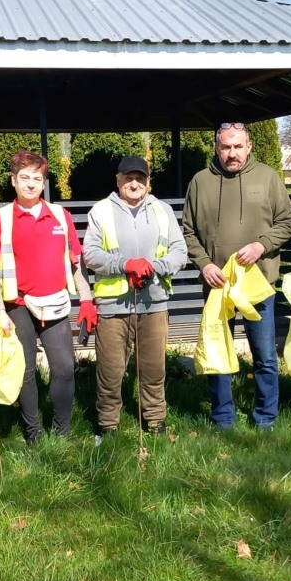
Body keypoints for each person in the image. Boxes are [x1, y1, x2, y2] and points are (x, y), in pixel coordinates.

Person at [183, 123, 291, 429]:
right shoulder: (200, 181)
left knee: (264, 355)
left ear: (249, 147)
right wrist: (204, 264)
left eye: (237, 146)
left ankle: (265, 418)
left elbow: (287, 223)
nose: (231, 153)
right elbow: (189, 231)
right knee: (218, 351)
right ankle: (223, 417)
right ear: (217, 148)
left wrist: (262, 245)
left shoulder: (268, 177)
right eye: (225, 147)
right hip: (217, 283)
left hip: (257, 282)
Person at [0, 150, 96, 442]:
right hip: (17, 305)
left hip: (54, 302)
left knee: (64, 369)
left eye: (37, 178)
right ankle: (33, 431)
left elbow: (76, 262)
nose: (31, 184)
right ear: (13, 180)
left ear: (44, 182)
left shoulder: (60, 216)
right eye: (25, 178)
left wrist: (86, 300)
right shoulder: (0, 219)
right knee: (25, 370)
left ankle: (62, 431)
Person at [83, 155, 187, 438]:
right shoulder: (101, 210)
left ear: (148, 181)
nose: (134, 183)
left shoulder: (163, 210)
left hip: (154, 302)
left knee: (153, 370)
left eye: (140, 178)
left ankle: (155, 421)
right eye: (128, 178)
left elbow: (180, 251)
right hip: (112, 307)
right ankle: (108, 426)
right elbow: (90, 254)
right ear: (118, 180)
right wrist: (124, 265)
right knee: (110, 372)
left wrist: (154, 267)